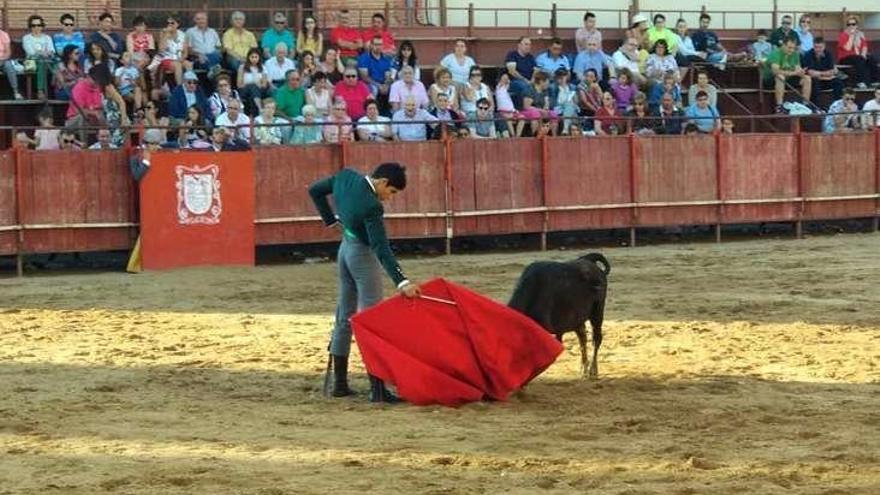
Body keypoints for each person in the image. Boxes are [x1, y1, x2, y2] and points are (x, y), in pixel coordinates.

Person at [309, 162, 421, 403]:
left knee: (344, 315)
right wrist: (402, 281)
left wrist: (330, 220)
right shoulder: (372, 206)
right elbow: (381, 248)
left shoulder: (345, 177)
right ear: (382, 182)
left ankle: (339, 384)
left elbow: (315, 190)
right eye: (391, 192)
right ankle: (377, 389)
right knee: (372, 319)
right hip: (362, 257)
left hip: (344, 251)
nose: (389, 199)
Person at [763, 37, 811, 112]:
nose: (791, 50)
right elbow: (775, 71)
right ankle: (779, 106)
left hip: (788, 78)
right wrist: (794, 73)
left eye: (793, 48)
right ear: (783, 45)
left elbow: (797, 69)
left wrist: (801, 73)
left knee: (807, 78)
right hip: (771, 79)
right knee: (780, 76)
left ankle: (805, 105)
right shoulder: (776, 53)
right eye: (789, 48)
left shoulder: (795, 54)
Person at [837, 17, 879, 89]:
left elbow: (864, 47)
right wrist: (852, 35)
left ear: (857, 25)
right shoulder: (843, 35)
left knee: (871, 58)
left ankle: (875, 81)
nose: (851, 26)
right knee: (858, 59)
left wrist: (863, 55)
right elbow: (848, 48)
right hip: (845, 58)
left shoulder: (860, 35)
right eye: (849, 24)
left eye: (853, 24)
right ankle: (862, 82)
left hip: (857, 57)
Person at [23, 15, 56, 100]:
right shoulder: (26, 38)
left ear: (42, 26)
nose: (36, 27)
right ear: (30, 27)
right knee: (42, 63)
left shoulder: (47, 38)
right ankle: (40, 91)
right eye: (34, 25)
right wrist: (43, 53)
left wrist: (46, 53)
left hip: (46, 60)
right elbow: (30, 52)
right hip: (31, 62)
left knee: (58, 61)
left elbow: (52, 51)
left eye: (39, 25)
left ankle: (55, 80)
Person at [803, 37, 843, 106]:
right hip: (815, 81)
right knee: (814, 82)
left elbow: (832, 71)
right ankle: (815, 107)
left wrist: (819, 74)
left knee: (838, 82)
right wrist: (825, 74)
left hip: (826, 80)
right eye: (816, 47)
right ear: (813, 46)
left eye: (820, 47)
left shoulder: (828, 54)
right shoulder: (808, 54)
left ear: (824, 46)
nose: (818, 49)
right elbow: (810, 73)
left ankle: (837, 105)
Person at [237, 47, 271, 116]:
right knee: (252, 86)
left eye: (256, 57)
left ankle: (256, 112)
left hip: (260, 90)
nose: (254, 59)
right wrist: (254, 83)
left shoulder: (263, 68)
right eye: (252, 57)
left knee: (254, 89)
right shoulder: (242, 67)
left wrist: (258, 84)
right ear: (248, 58)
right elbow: (239, 85)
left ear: (259, 58)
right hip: (244, 90)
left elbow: (264, 85)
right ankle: (260, 108)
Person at [0, 27, 23, 99]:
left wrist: (1, 59)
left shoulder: (3, 35)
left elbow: (8, 53)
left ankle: (16, 92)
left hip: (2, 60)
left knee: (8, 65)